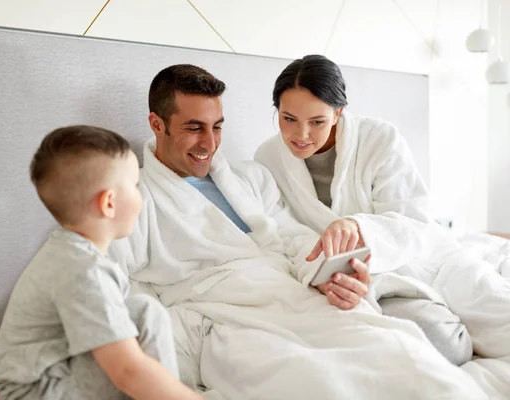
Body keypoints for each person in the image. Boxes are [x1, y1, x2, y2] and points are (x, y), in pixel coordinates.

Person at [103, 64, 486, 399]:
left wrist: (327, 273)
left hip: (292, 294)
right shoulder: (136, 197)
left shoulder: (248, 178)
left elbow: (293, 238)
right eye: (194, 128)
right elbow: (121, 285)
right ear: (157, 124)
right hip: (222, 319)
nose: (210, 143)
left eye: (217, 127)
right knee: (317, 380)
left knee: (399, 352)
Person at [254, 54, 510, 366]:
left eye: (317, 122)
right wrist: (321, 275)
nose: (300, 135)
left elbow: (413, 221)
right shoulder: (268, 158)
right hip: (371, 282)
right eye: (288, 119)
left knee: (502, 323)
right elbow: (285, 234)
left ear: (338, 113)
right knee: (445, 347)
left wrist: (357, 227)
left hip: (428, 259)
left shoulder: (379, 138)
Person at [0, 125, 202, 400]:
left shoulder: (67, 251)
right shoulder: (84, 271)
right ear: (109, 203)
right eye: (135, 186)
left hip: (41, 375)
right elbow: (128, 371)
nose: (141, 196)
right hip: (40, 392)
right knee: (138, 367)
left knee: (145, 311)